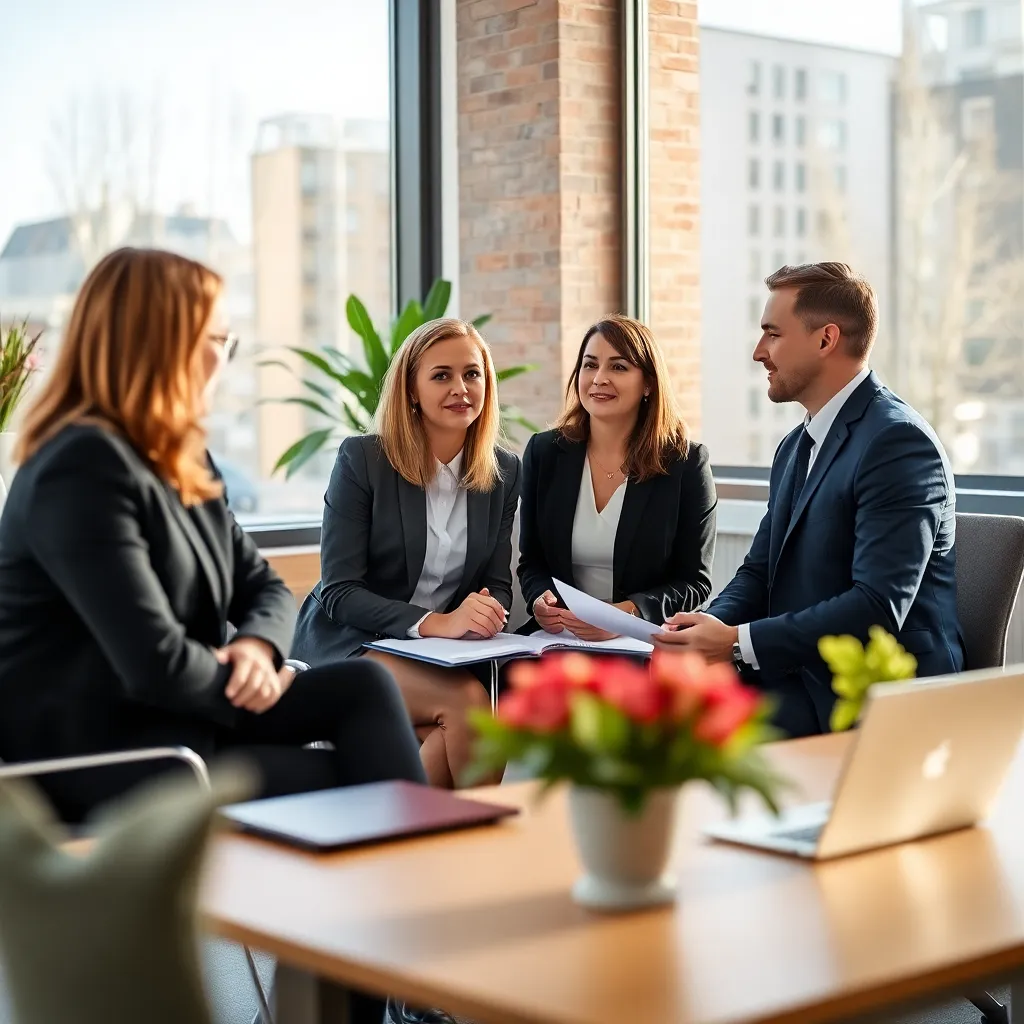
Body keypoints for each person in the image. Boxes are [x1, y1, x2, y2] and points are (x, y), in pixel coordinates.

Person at [0, 247, 427, 828]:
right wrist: (253, 681)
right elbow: (154, 663)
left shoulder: (180, 455)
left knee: (364, 686)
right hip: (107, 748)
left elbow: (264, 588)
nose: (226, 361)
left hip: (184, 712)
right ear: (163, 343)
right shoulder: (80, 467)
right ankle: (415, 889)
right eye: (218, 341)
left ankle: (419, 881)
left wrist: (258, 650)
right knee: (351, 785)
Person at [656, 263, 964, 737]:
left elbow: (877, 605)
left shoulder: (899, 443)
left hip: (875, 693)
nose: (759, 352)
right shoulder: (795, 446)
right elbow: (759, 572)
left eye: (772, 334)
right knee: (649, 698)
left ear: (826, 340)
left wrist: (736, 642)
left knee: (685, 727)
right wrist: (704, 627)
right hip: (801, 674)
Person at [292, 318, 521, 789]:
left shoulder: (503, 472)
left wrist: (483, 612)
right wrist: (437, 623)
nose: (461, 388)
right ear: (412, 390)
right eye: (441, 375)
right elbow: (339, 590)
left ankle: (409, 851)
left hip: (438, 657)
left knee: (441, 737)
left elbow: (495, 580)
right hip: (352, 642)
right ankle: (488, 851)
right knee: (469, 707)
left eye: (472, 374)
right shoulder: (363, 460)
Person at [517, 314, 717, 640]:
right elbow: (532, 563)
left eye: (618, 367)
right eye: (590, 365)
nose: (599, 378)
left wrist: (623, 615)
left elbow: (695, 582)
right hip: (558, 639)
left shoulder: (685, 463)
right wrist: (540, 599)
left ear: (649, 383)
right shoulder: (545, 452)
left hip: (642, 639)